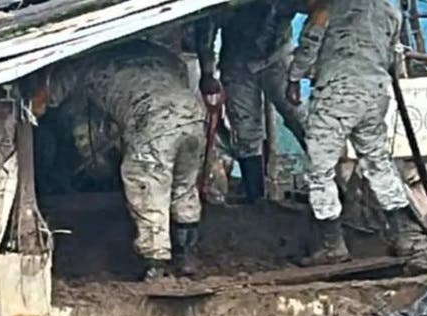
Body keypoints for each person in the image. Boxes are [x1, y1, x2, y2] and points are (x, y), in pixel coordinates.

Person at [35, 41, 206, 280]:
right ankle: (187, 255)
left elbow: (40, 103)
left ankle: (155, 264)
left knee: (147, 187)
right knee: (184, 186)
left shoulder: (81, 62)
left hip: (152, 118)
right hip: (193, 116)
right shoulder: (158, 51)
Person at [287, 0, 427, 267]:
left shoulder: (328, 7)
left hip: (337, 91)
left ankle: (332, 244)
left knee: (320, 170)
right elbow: (391, 54)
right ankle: (403, 237)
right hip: (375, 92)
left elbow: (310, 42)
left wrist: (294, 77)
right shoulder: (391, 11)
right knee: (378, 162)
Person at [196, 0, 307, 202]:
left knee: (301, 119)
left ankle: (329, 187)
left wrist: (299, 70)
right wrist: (207, 71)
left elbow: (316, 8)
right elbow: (207, 23)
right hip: (238, 60)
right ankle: (256, 199)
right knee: (246, 131)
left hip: (277, 56)